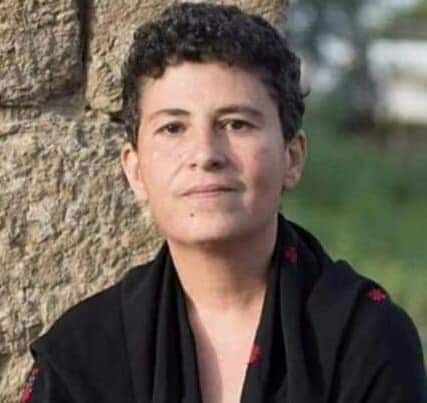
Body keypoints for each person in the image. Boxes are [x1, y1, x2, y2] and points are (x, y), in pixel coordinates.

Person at [22, 2, 426, 403]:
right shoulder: (81, 357)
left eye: (236, 124)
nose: (205, 154)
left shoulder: (365, 341)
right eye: (173, 127)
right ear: (135, 169)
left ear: (292, 157)